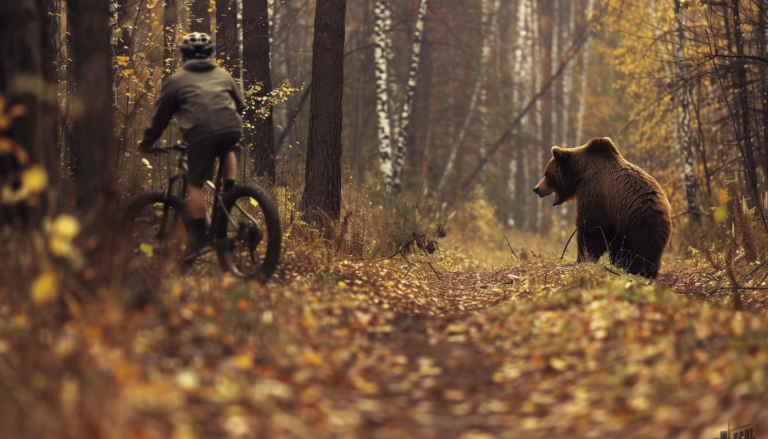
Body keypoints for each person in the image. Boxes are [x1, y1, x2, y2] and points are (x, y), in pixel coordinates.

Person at [139, 32, 246, 257]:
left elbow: (161, 117)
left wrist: (147, 141)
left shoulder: (176, 80)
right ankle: (230, 190)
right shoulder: (223, 74)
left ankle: (200, 240)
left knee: (195, 184)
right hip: (231, 128)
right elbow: (240, 104)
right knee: (228, 145)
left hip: (201, 133)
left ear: (183, 56)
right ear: (209, 54)